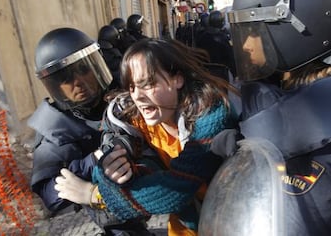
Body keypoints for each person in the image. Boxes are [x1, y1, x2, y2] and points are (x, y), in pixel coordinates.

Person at [199, 0, 331, 235]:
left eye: (255, 31)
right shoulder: (281, 90)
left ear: (297, 30)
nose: (246, 45)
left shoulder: (330, 125)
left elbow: (303, 222)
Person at [54, 38, 240, 236]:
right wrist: (111, 168)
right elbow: (109, 153)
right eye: (132, 87)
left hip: (232, 223)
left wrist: (93, 194)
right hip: (186, 227)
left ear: (177, 79)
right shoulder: (133, 118)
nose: (138, 96)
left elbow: (176, 189)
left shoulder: (210, 113)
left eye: (148, 84)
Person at [28, 27, 151, 235]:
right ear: (55, 86)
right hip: (113, 217)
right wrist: (94, 160)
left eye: (84, 69)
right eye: (66, 78)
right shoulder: (57, 128)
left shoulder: (121, 95)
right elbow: (50, 194)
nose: (79, 82)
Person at [195, 10, 237, 78]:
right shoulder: (223, 37)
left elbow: (198, 55)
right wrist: (234, 73)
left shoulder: (202, 37)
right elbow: (230, 56)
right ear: (220, 22)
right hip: (221, 72)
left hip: (206, 71)